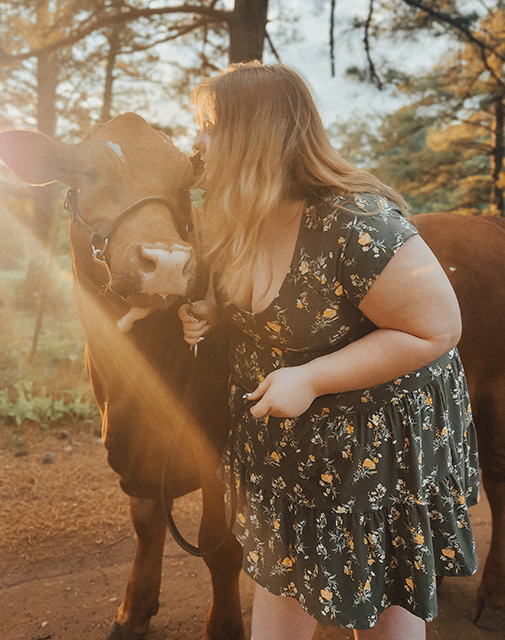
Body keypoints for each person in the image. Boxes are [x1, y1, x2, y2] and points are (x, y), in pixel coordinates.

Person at [178, 62, 479, 640]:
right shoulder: (237, 216)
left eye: (209, 126)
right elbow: (272, 304)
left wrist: (312, 377)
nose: (198, 143)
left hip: (375, 443)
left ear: (254, 135)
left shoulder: (358, 223)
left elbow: (436, 330)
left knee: (388, 585)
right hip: (287, 441)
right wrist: (216, 313)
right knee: (282, 575)